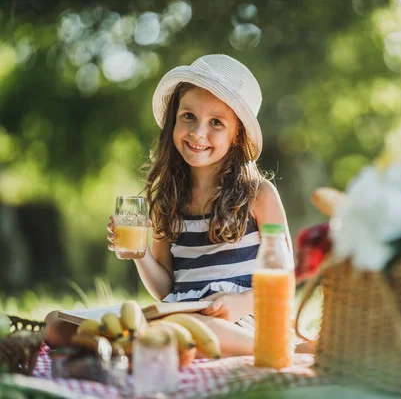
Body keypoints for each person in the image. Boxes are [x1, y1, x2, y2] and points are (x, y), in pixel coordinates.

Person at [45, 54, 313, 356]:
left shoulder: (258, 194)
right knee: (56, 323)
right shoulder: (167, 200)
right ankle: (128, 348)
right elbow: (166, 288)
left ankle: (281, 347)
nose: (198, 133)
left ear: (237, 135)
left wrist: (240, 303)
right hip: (177, 315)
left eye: (216, 123)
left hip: (241, 319)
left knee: (193, 329)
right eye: (189, 117)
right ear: (174, 119)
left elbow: (286, 279)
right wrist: (141, 253)